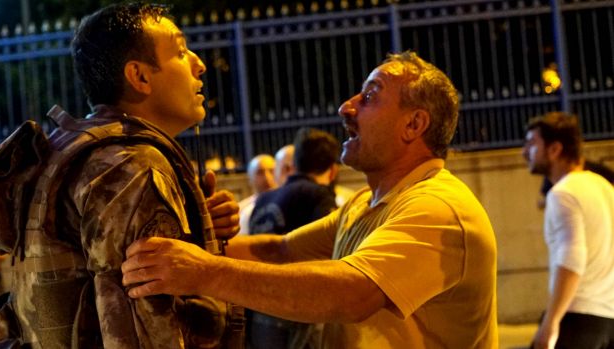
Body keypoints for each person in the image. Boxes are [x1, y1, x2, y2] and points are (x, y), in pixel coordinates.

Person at [122, 51, 499, 348]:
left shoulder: (437, 207)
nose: (346, 108)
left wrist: (203, 271)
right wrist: (196, 242)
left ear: (413, 125)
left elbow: (353, 292)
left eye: (369, 97)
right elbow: (282, 250)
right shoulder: (366, 203)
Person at [6, 3, 240, 348]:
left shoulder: (74, 149)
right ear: (140, 77)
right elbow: (144, 324)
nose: (199, 64)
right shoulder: (134, 166)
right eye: (179, 51)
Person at [522, 112, 614, 349]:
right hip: (607, 318)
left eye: (532, 144)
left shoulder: (563, 193)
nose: (525, 152)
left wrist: (551, 322)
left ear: (554, 149)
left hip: (577, 318)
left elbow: (571, 259)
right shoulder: (603, 187)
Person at [247, 127, 339, 349]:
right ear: (333, 170)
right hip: (298, 313)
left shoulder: (263, 200)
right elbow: (333, 249)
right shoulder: (319, 195)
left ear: (294, 165)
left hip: (259, 308)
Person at [238, 154, 277, 235]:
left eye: (271, 171)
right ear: (250, 178)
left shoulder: (288, 204)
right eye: (260, 172)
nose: (267, 177)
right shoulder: (241, 210)